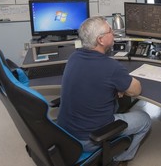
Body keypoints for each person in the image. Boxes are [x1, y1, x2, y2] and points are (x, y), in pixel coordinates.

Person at [57, 16, 151, 165]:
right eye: (110, 31)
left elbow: (92, 83)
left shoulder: (74, 57)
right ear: (101, 40)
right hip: (89, 138)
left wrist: (114, 88)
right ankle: (122, 157)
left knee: (119, 101)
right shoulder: (110, 66)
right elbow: (136, 90)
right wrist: (121, 88)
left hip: (65, 133)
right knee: (145, 119)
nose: (113, 32)